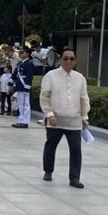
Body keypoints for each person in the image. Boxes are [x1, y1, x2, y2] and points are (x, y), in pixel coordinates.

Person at [39, 48, 90, 188]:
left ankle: (74, 178)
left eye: (71, 59)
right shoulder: (51, 75)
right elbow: (44, 97)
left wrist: (84, 116)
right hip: (55, 119)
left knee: (75, 150)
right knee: (50, 146)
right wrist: (49, 115)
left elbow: (83, 98)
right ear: (60, 59)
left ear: (75, 61)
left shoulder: (80, 78)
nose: (68, 61)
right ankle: (48, 171)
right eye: (66, 58)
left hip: (74, 120)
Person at [11, 46, 35, 128]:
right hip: (19, 85)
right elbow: (15, 74)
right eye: (20, 52)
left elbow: (29, 76)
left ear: (27, 54)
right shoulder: (20, 63)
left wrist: (27, 87)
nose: (20, 54)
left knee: (26, 104)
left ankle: (25, 122)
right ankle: (21, 120)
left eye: (22, 52)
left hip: (24, 85)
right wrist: (10, 84)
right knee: (21, 104)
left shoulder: (29, 63)